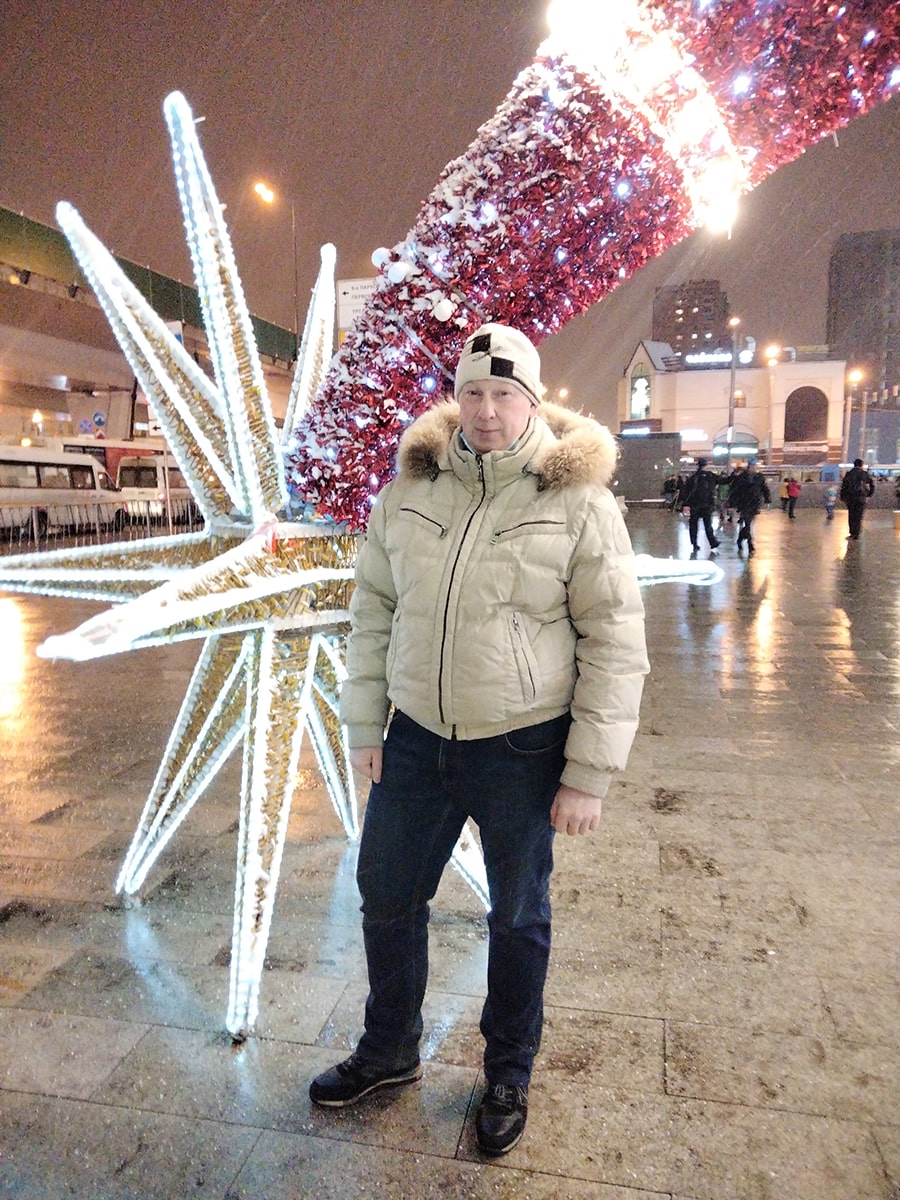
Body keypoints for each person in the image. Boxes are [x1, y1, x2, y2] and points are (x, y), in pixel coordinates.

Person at [308, 323, 649, 1157]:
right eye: (473, 393)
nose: (487, 411)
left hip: (522, 747)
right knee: (386, 894)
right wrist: (365, 725)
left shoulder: (577, 502)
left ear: (532, 400)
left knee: (518, 914)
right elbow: (373, 614)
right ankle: (389, 1049)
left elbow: (614, 639)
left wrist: (588, 773)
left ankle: (507, 1072)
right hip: (417, 740)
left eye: (504, 394)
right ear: (455, 398)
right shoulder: (410, 492)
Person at [728, 461, 771, 556]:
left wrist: (767, 500)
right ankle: (750, 544)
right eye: (752, 466)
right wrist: (732, 504)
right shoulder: (742, 478)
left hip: (755, 504)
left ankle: (740, 539)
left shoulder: (759, 477)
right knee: (748, 524)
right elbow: (735, 491)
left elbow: (764, 488)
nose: (753, 468)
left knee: (748, 524)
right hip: (744, 504)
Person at [681, 457, 720, 555]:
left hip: (695, 505)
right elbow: (723, 480)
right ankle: (713, 542)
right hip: (706, 505)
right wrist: (735, 476)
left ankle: (694, 543)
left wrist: (686, 504)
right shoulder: (710, 476)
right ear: (706, 465)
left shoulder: (694, 477)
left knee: (694, 525)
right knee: (708, 525)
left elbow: (686, 491)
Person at [840, 457, 875, 539]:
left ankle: (852, 532)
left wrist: (843, 497)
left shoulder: (849, 474)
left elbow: (844, 486)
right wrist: (869, 494)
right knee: (858, 516)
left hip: (850, 498)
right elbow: (872, 484)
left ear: (854, 465)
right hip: (861, 498)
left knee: (851, 515)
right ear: (861, 465)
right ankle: (857, 533)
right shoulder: (865, 474)